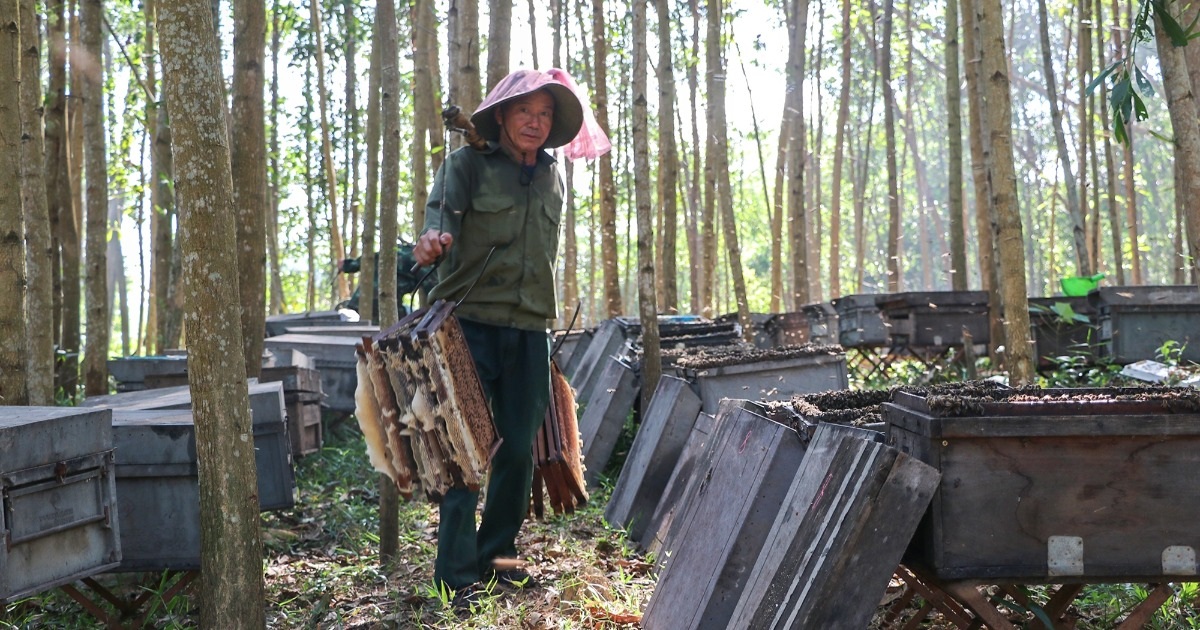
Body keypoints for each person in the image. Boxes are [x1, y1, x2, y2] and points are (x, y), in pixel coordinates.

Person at [412, 68, 609, 610]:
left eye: (545, 114)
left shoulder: (552, 177)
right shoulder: (465, 165)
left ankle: (496, 558)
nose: (535, 122)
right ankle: (454, 576)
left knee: (518, 450)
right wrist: (431, 244)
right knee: (465, 450)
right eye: (524, 110)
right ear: (501, 115)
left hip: (529, 332)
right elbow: (435, 228)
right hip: (467, 325)